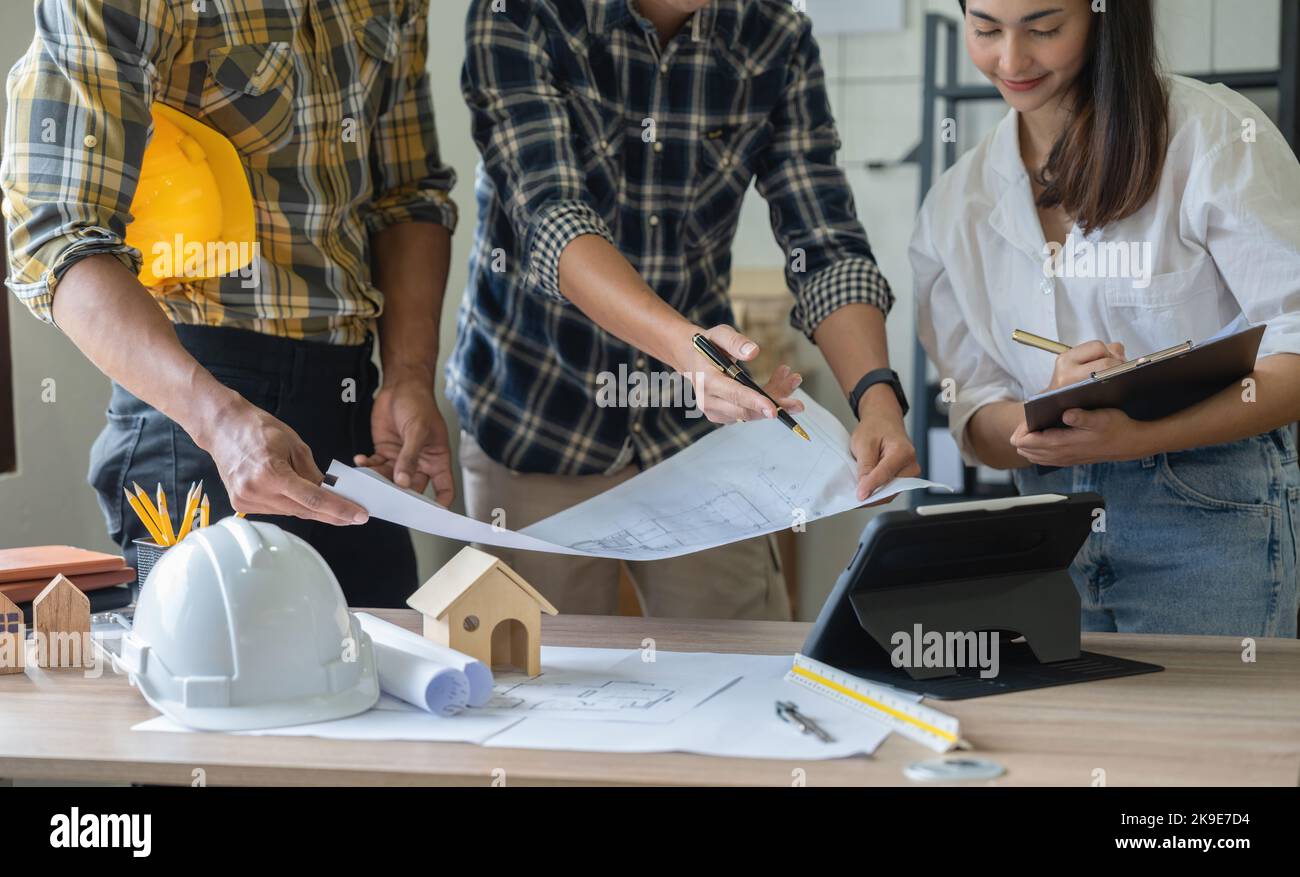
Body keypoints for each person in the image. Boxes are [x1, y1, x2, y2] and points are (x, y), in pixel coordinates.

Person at [448, 0, 918, 618]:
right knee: (535, 678)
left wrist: (877, 400)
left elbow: (824, 241)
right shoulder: (524, 14)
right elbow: (552, 219)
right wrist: (690, 353)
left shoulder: (774, 33)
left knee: (748, 669)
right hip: (536, 413)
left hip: (694, 434)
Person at [3, 0, 458, 607]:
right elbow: (58, 233)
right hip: (199, 404)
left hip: (351, 398)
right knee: (214, 685)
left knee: (386, 676)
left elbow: (408, 197)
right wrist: (218, 420)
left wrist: (409, 374)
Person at [914, 0, 1300, 635]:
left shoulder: (1211, 136)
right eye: (985, 30)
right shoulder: (956, 204)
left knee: (1201, 733)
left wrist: (1139, 435)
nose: (1011, 60)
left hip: (1208, 511)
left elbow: (1292, 346)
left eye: (1043, 29)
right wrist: (1043, 416)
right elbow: (974, 414)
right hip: (1049, 527)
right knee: (1074, 734)